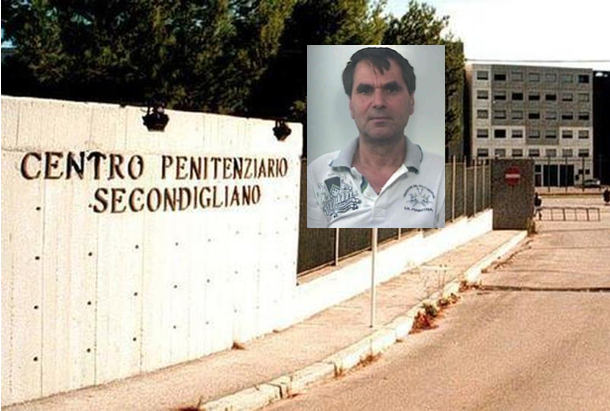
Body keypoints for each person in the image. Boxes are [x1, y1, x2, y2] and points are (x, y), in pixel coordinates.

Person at [307, 47, 444, 228]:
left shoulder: (441, 174)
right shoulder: (317, 173)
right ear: (351, 106)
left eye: (391, 90)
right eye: (365, 91)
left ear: (411, 102)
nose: (378, 103)